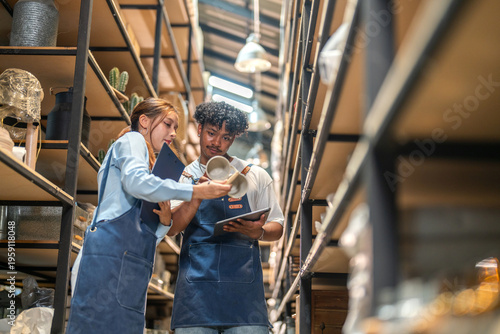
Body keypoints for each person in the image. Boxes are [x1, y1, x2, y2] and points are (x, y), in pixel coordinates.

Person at [66, 98, 231, 334]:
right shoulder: (133, 140)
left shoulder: (147, 158)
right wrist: (196, 190)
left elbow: (146, 235)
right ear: (144, 121)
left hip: (129, 262)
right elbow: (135, 182)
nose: (173, 133)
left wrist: (164, 223)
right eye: (168, 124)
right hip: (107, 258)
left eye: (175, 128)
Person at [168, 101, 284, 333]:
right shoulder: (182, 176)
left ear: (234, 139)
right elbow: (171, 228)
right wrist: (197, 195)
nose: (217, 143)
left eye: (226, 138)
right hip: (195, 296)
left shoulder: (254, 175)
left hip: (244, 297)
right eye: (211, 133)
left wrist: (258, 232)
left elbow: (278, 227)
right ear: (199, 129)